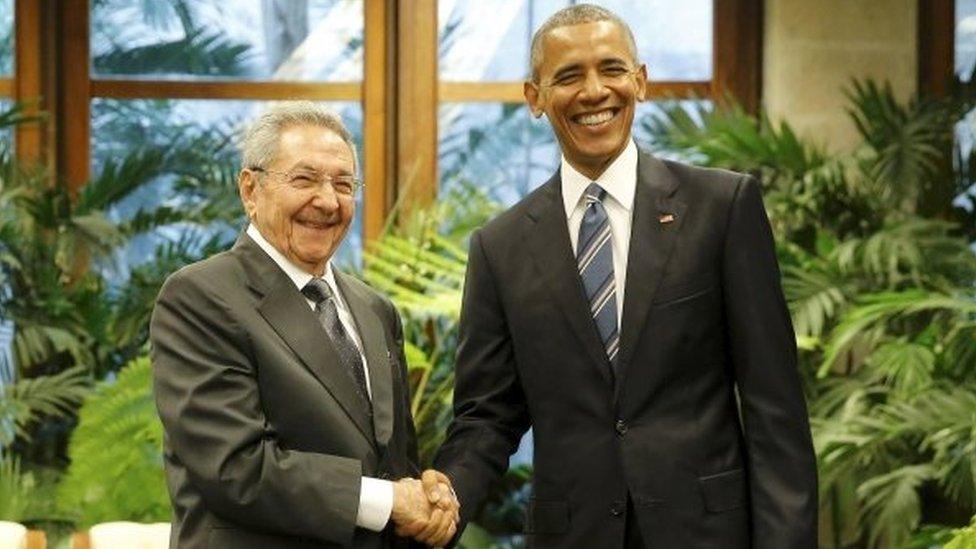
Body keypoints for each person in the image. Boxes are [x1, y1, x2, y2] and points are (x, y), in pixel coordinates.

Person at [430, 5, 818, 548]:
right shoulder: (499, 247)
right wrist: (447, 493)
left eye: (611, 69)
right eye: (568, 76)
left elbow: (774, 408)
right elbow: (488, 417)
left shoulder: (721, 207)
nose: (594, 92)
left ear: (640, 82)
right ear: (534, 98)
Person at [150, 102, 458, 549]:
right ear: (250, 190)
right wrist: (389, 500)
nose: (328, 201)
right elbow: (236, 468)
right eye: (304, 179)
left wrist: (428, 500)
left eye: (344, 183)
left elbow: (397, 465)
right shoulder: (200, 297)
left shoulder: (375, 309)